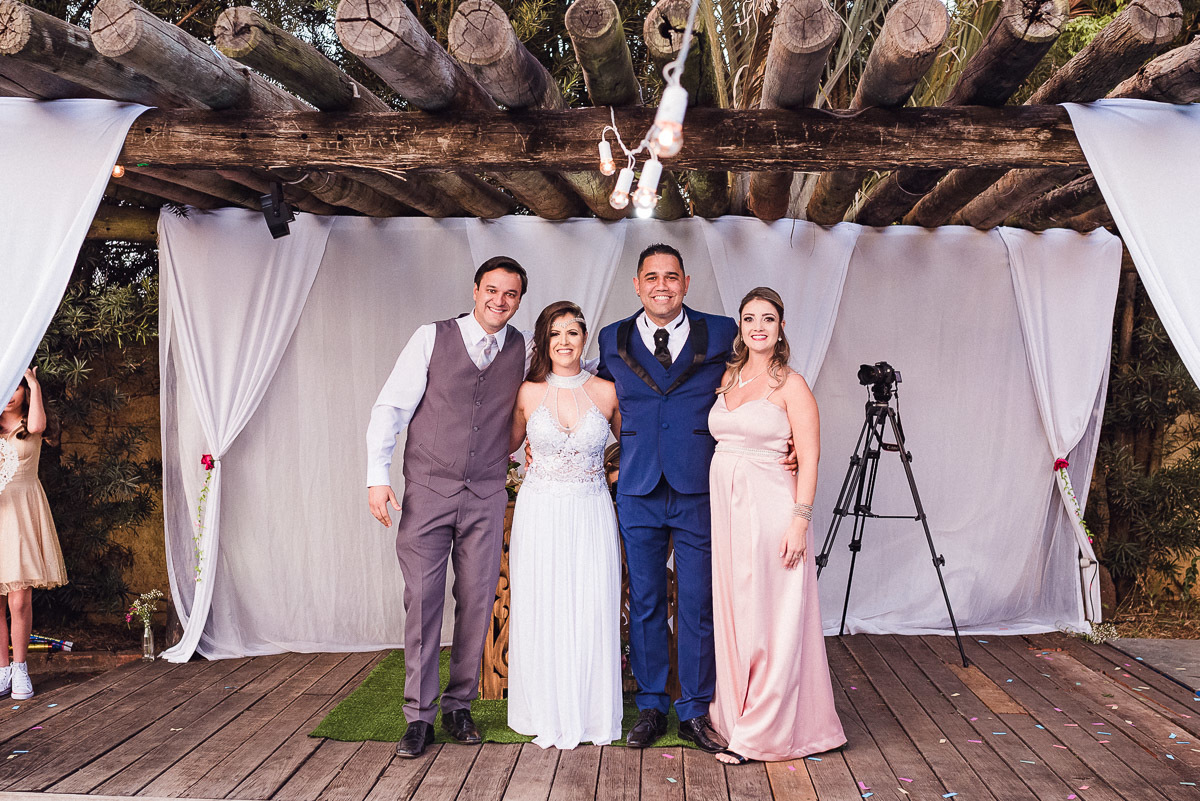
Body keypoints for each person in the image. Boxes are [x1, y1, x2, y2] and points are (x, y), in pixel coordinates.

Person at [366, 257, 530, 759]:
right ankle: (418, 716)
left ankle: (460, 707)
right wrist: (378, 477)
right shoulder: (430, 337)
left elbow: (566, 374)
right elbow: (391, 407)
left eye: (510, 294)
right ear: (475, 290)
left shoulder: (521, 347)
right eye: (491, 290)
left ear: (520, 300)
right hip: (429, 493)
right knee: (423, 599)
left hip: (485, 493)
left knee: (478, 602)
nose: (499, 301)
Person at [595, 243, 738, 752]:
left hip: (699, 485)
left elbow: (755, 384)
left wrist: (782, 441)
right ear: (636, 285)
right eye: (651, 277)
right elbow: (598, 400)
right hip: (636, 488)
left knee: (699, 603)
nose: (662, 285)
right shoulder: (611, 338)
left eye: (671, 276)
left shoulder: (722, 331)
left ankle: (695, 711)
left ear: (687, 281)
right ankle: (652, 705)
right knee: (648, 600)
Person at [708, 287, 845, 763]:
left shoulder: (793, 385)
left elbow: (809, 458)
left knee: (771, 617)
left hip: (771, 511)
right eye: (749, 319)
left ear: (780, 327)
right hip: (726, 513)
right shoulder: (726, 378)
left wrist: (799, 524)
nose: (759, 326)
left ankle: (763, 731)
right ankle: (735, 714)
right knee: (736, 613)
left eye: (768, 318)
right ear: (740, 328)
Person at [506, 301, 622, 749]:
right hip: (541, 512)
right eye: (555, 333)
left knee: (590, 605)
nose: (565, 342)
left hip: (591, 510)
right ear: (544, 340)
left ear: (584, 338)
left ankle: (590, 713)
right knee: (545, 602)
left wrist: (611, 474)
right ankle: (544, 709)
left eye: (572, 332)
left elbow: (639, 443)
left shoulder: (607, 392)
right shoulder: (527, 393)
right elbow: (503, 446)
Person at [0, 368, 68, 701]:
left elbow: (40, 424)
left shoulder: (31, 426)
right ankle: (2, 671)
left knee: (19, 597)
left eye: (18, 386)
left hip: (23, 512)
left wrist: (34, 383)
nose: (13, 392)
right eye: (7, 386)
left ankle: (21, 668)